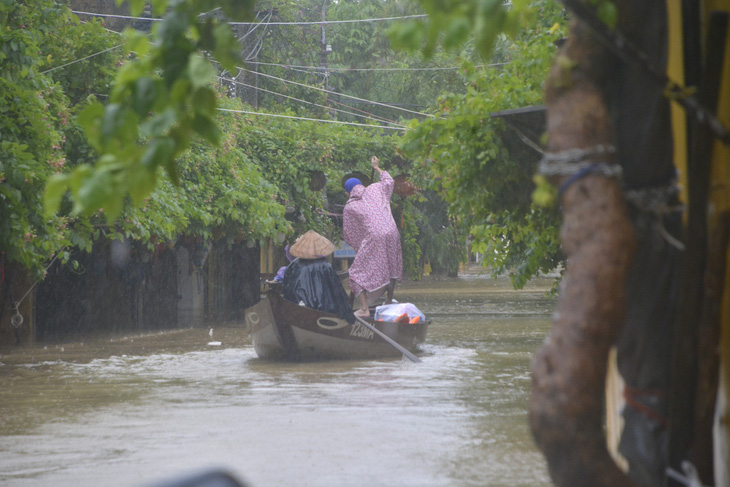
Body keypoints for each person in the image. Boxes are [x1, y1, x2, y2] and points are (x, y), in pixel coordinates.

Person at [343, 156, 403, 318]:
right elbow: (389, 181)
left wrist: (361, 246)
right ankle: (389, 301)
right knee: (391, 268)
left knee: (355, 274)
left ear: (348, 192)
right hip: (392, 232)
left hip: (375, 236)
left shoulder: (350, 206)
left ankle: (363, 309)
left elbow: (350, 234)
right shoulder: (375, 188)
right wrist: (376, 167)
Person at [282, 230, 354, 323]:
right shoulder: (326, 266)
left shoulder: (294, 265)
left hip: (299, 310)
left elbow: (287, 286)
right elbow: (337, 292)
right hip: (327, 311)